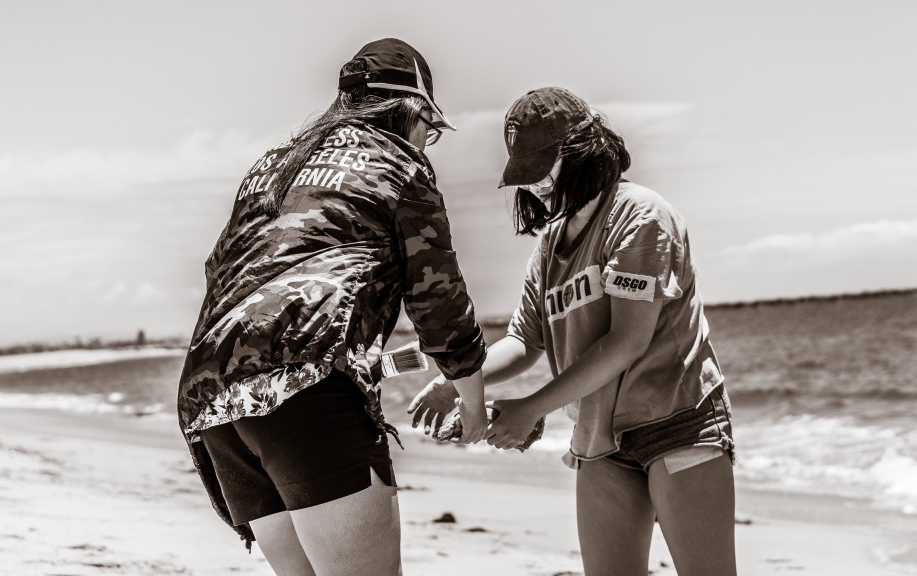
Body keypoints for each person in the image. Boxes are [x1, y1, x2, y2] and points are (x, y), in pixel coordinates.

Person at [176, 38, 488, 576]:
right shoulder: (399, 165)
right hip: (305, 392)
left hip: (213, 397)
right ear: (410, 111)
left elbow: (220, 270)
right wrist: (474, 405)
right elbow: (439, 302)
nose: (426, 143)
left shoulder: (274, 164)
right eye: (429, 130)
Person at [409, 87, 736, 575]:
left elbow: (627, 341)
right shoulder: (550, 244)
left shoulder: (641, 215)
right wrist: (458, 379)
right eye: (525, 171)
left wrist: (530, 408)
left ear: (582, 151)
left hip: (679, 423)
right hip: (598, 440)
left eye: (543, 165)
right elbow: (524, 341)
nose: (535, 183)